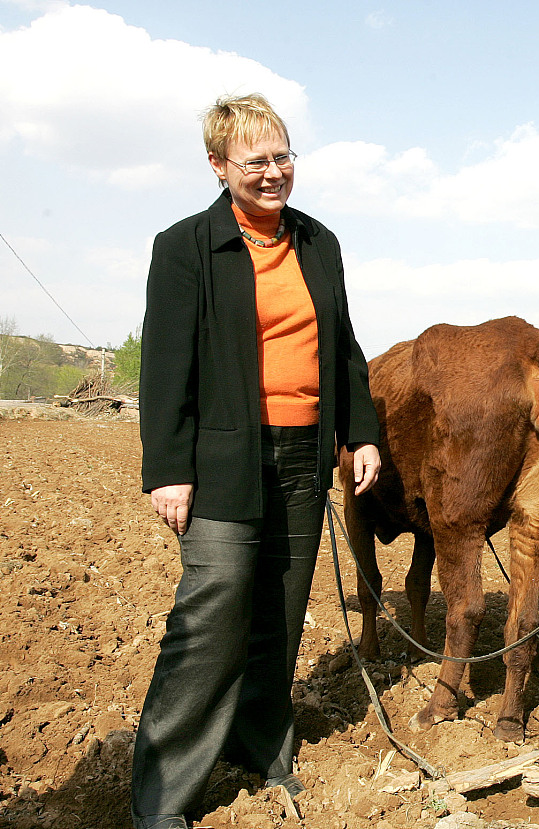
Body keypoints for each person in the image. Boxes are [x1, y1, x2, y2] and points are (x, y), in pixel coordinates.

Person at [132, 94, 381, 829]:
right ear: (218, 165)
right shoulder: (184, 247)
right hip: (222, 459)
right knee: (212, 615)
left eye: (283, 157)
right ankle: (162, 797)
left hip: (303, 454)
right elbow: (164, 366)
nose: (274, 173)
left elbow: (343, 346)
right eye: (255, 161)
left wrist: (360, 432)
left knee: (280, 609)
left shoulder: (318, 243)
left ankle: (258, 745)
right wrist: (168, 468)